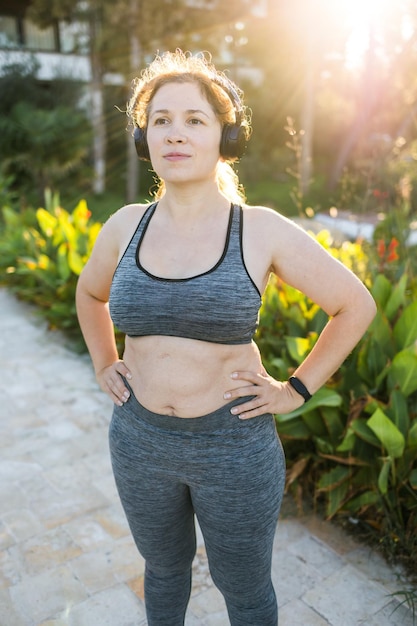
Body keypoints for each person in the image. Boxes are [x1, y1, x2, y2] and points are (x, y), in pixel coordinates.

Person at [75, 49, 376, 626]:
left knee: (243, 587)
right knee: (162, 572)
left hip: (233, 449)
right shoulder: (123, 226)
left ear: (225, 135)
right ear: (145, 138)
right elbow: (91, 295)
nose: (175, 134)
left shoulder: (259, 230)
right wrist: (102, 362)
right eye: (160, 120)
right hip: (139, 441)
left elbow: (354, 304)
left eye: (195, 119)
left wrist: (297, 389)